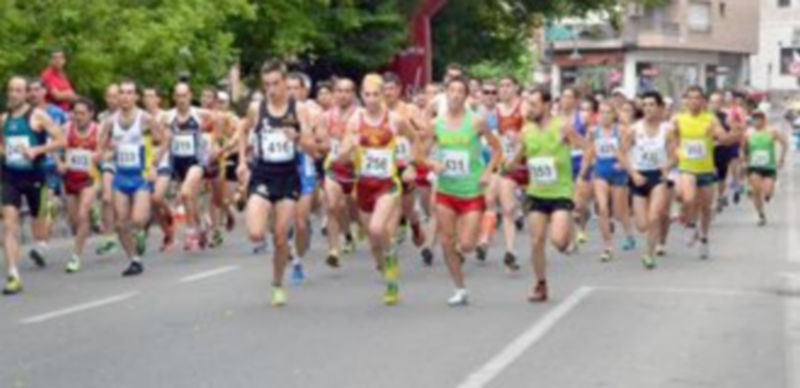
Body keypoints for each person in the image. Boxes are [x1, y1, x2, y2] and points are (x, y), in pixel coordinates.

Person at [235, 60, 314, 306]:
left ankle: (277, 284)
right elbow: (242, 130)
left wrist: (298, 137)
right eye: (267, 84)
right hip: (263, 173)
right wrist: (241, 161)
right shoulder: (256, 108)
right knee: (255, 233)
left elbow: (312, 147)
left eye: (276, 83)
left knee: (281, 238)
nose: (272, 89)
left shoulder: (298, 110)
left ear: (284, 82)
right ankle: (266, 214)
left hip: (288, 175)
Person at [337, 73, 418, 305]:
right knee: (375, 244)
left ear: (383, 95)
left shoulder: (395, 120)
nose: (371, 99)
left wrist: (411, 165)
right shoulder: (355, 121)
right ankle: (388, 268)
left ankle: (391, 278)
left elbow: (415, 140)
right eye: (367, 95)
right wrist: (347, 149)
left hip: (387, 185)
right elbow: (342, 158)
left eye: (376, 95)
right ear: (361, 96)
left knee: (376, 228)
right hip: (363, 186)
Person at [424, 76, 501, 306]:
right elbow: (419, 153)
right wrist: (431, 164)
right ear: (445, 94)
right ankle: (460, 288)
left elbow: (497, 149)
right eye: (452, 90)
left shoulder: (476, 122)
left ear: (466, 96)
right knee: (446, 241)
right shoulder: (435, 124)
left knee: (466, 245)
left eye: (460, 91)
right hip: (446, 190)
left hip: (470, 191)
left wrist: (488, 171)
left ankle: (460, 252)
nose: (456, 95)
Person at [506, 88, 587, 302]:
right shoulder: (526, 130)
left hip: (560, 191)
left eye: (533, 104)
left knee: (558, 242)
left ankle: (567, 233)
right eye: (528, 104)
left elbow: (588, 148)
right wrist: (507, 166)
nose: (529, 108)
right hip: (537, 192)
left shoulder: (562, 126)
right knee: (536, 241)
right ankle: (541, 284)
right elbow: (517, 157)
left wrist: (581, 177)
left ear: (547, 105)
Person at [1, 77, 65, 295]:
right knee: (10, 224)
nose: (14, 94)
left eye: (19, 90)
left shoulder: (38, 116)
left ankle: (48, 214)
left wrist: (37, 151)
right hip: (10, 177)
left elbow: (61, 140)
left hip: (35, 176)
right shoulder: (4, 119)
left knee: (40, 225)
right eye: (11, 90)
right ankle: (13, 274)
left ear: (27, 93)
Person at [97, 79, 162, 276]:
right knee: (120, 223)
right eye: (122, 93)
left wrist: (154, 165)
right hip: (121, 176)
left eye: (129, 92)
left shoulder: (146, 119)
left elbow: (162, 140)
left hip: (140, 176)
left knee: (137, 219)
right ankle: (134, 259)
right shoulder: (109, 122)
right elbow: (101, 151)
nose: (125, 96)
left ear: (135, 97)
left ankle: (141, 230)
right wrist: (106, 154)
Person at [669, 85, 741, 259]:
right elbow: (672, 142)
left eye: (697, 98)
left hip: (706, 169)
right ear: (685, 100)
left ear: (703, 101)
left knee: (706, 208)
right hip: (687, 167)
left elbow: (725, 139)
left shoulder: (710, 119)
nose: (694, 101)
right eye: (690, 97)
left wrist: (735, 132)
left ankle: (704, 239)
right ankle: (691, 224)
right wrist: (678, 152)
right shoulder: (678, 119)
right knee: (688, 197)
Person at [619, 91, 672, 269]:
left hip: (657, 176)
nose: (648, 108)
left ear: (659, 108)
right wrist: (633, 173)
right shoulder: (634, 129)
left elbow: (675, 154)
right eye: (645, 104)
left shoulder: (667, 130)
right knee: (642, 225)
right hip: (639, 177)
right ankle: (649, 240)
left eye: (652, 105)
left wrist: (668, 166)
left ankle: (649, 254)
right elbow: (621, 153)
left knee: (655, 216)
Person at [163, 83, 217, 251]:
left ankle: (190, 232)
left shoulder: (200, 114)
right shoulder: (167, 116)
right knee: (189, 198)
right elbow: (156, 132)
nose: (181, 100)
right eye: (178, 96)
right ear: (174, 97)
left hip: (196, 161)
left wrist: (213, 143)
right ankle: (200, 226)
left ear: (190, 96)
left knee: (186, 192)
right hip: (178, 161)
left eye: (184, 95)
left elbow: (223, 120)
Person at [586, 101, 636, 262]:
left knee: (619, 211)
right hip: (601, 171)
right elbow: (589, 149)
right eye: (601, 113)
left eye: (608, 113)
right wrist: (590, 162)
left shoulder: (620, 130)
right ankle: (607, 246)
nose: (604, 116)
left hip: (618, 173)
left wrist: (622, 162)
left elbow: (629, 145)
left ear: (613, 115)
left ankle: (629, 234)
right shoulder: (594, 131)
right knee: (602, 208)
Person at [318, 78, 359, 268]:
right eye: (340, 91)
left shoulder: (360, 115)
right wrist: (323, 143)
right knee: (333, 205)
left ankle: (350, 233)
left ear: (353, 94)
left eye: (347, 91)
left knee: (354, 210)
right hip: (334, 168)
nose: (343, 95)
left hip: (358, 171)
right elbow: (321, 141)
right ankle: (334, 249)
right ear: (335, 94)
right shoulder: (326, 117)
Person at [57, 98, 102, 273]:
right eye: (76, 113)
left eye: (82, 113)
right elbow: (53, 146)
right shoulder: (66, 129)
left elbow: (107, 149)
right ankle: (92, 216)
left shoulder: (98, 130)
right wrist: (59, 163)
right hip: (70, 178)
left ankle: (76, 256)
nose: (79, 117)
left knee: (82, 214)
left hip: (90, 178)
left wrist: (98, 155)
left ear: (91, 114)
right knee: (74, 221)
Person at [495, 76, 526, 272]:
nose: (504, 89)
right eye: (502, 86)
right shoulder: (497, 110)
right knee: (507, 209)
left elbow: (531, 130)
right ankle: (510, 251)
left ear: (515, 88)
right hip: (508, 165)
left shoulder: (523, 107)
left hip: (528, 163)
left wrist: (519, 137)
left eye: (508, 85)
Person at [142, 87, 175, 251]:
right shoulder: (140, 118)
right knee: (151, 202)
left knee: (156, 198)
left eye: (151, 96)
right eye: (146, 96)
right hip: (146, 164)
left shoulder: (165, 116)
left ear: (158, 99)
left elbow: (167, 139)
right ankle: (167, 233)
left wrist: (158, 157)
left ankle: (169, 213)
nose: (148, 99)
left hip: (163, 162)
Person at [742, 110, 787, 225]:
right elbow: (743, 149)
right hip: (754, 166)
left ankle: (767, 193)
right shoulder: (748, 133)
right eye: (754, 119)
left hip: (769, 166)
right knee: (756, 191)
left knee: (767, 192)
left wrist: (781, 159)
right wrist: (744, 162)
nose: (756, 121)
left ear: (764, 120)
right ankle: (761, 214)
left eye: (759, 119)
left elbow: (784, 144)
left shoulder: (771, 131)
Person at [96, 83, 121, 256]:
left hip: (128, 162)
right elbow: (98, 140)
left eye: (115, 96)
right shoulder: (102, 117)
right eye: (109, 96)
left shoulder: (132, 116)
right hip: (108, 161)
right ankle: (109, 238)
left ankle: (136, 230)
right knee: (106, 197)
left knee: (125, 200)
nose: (112, 100)